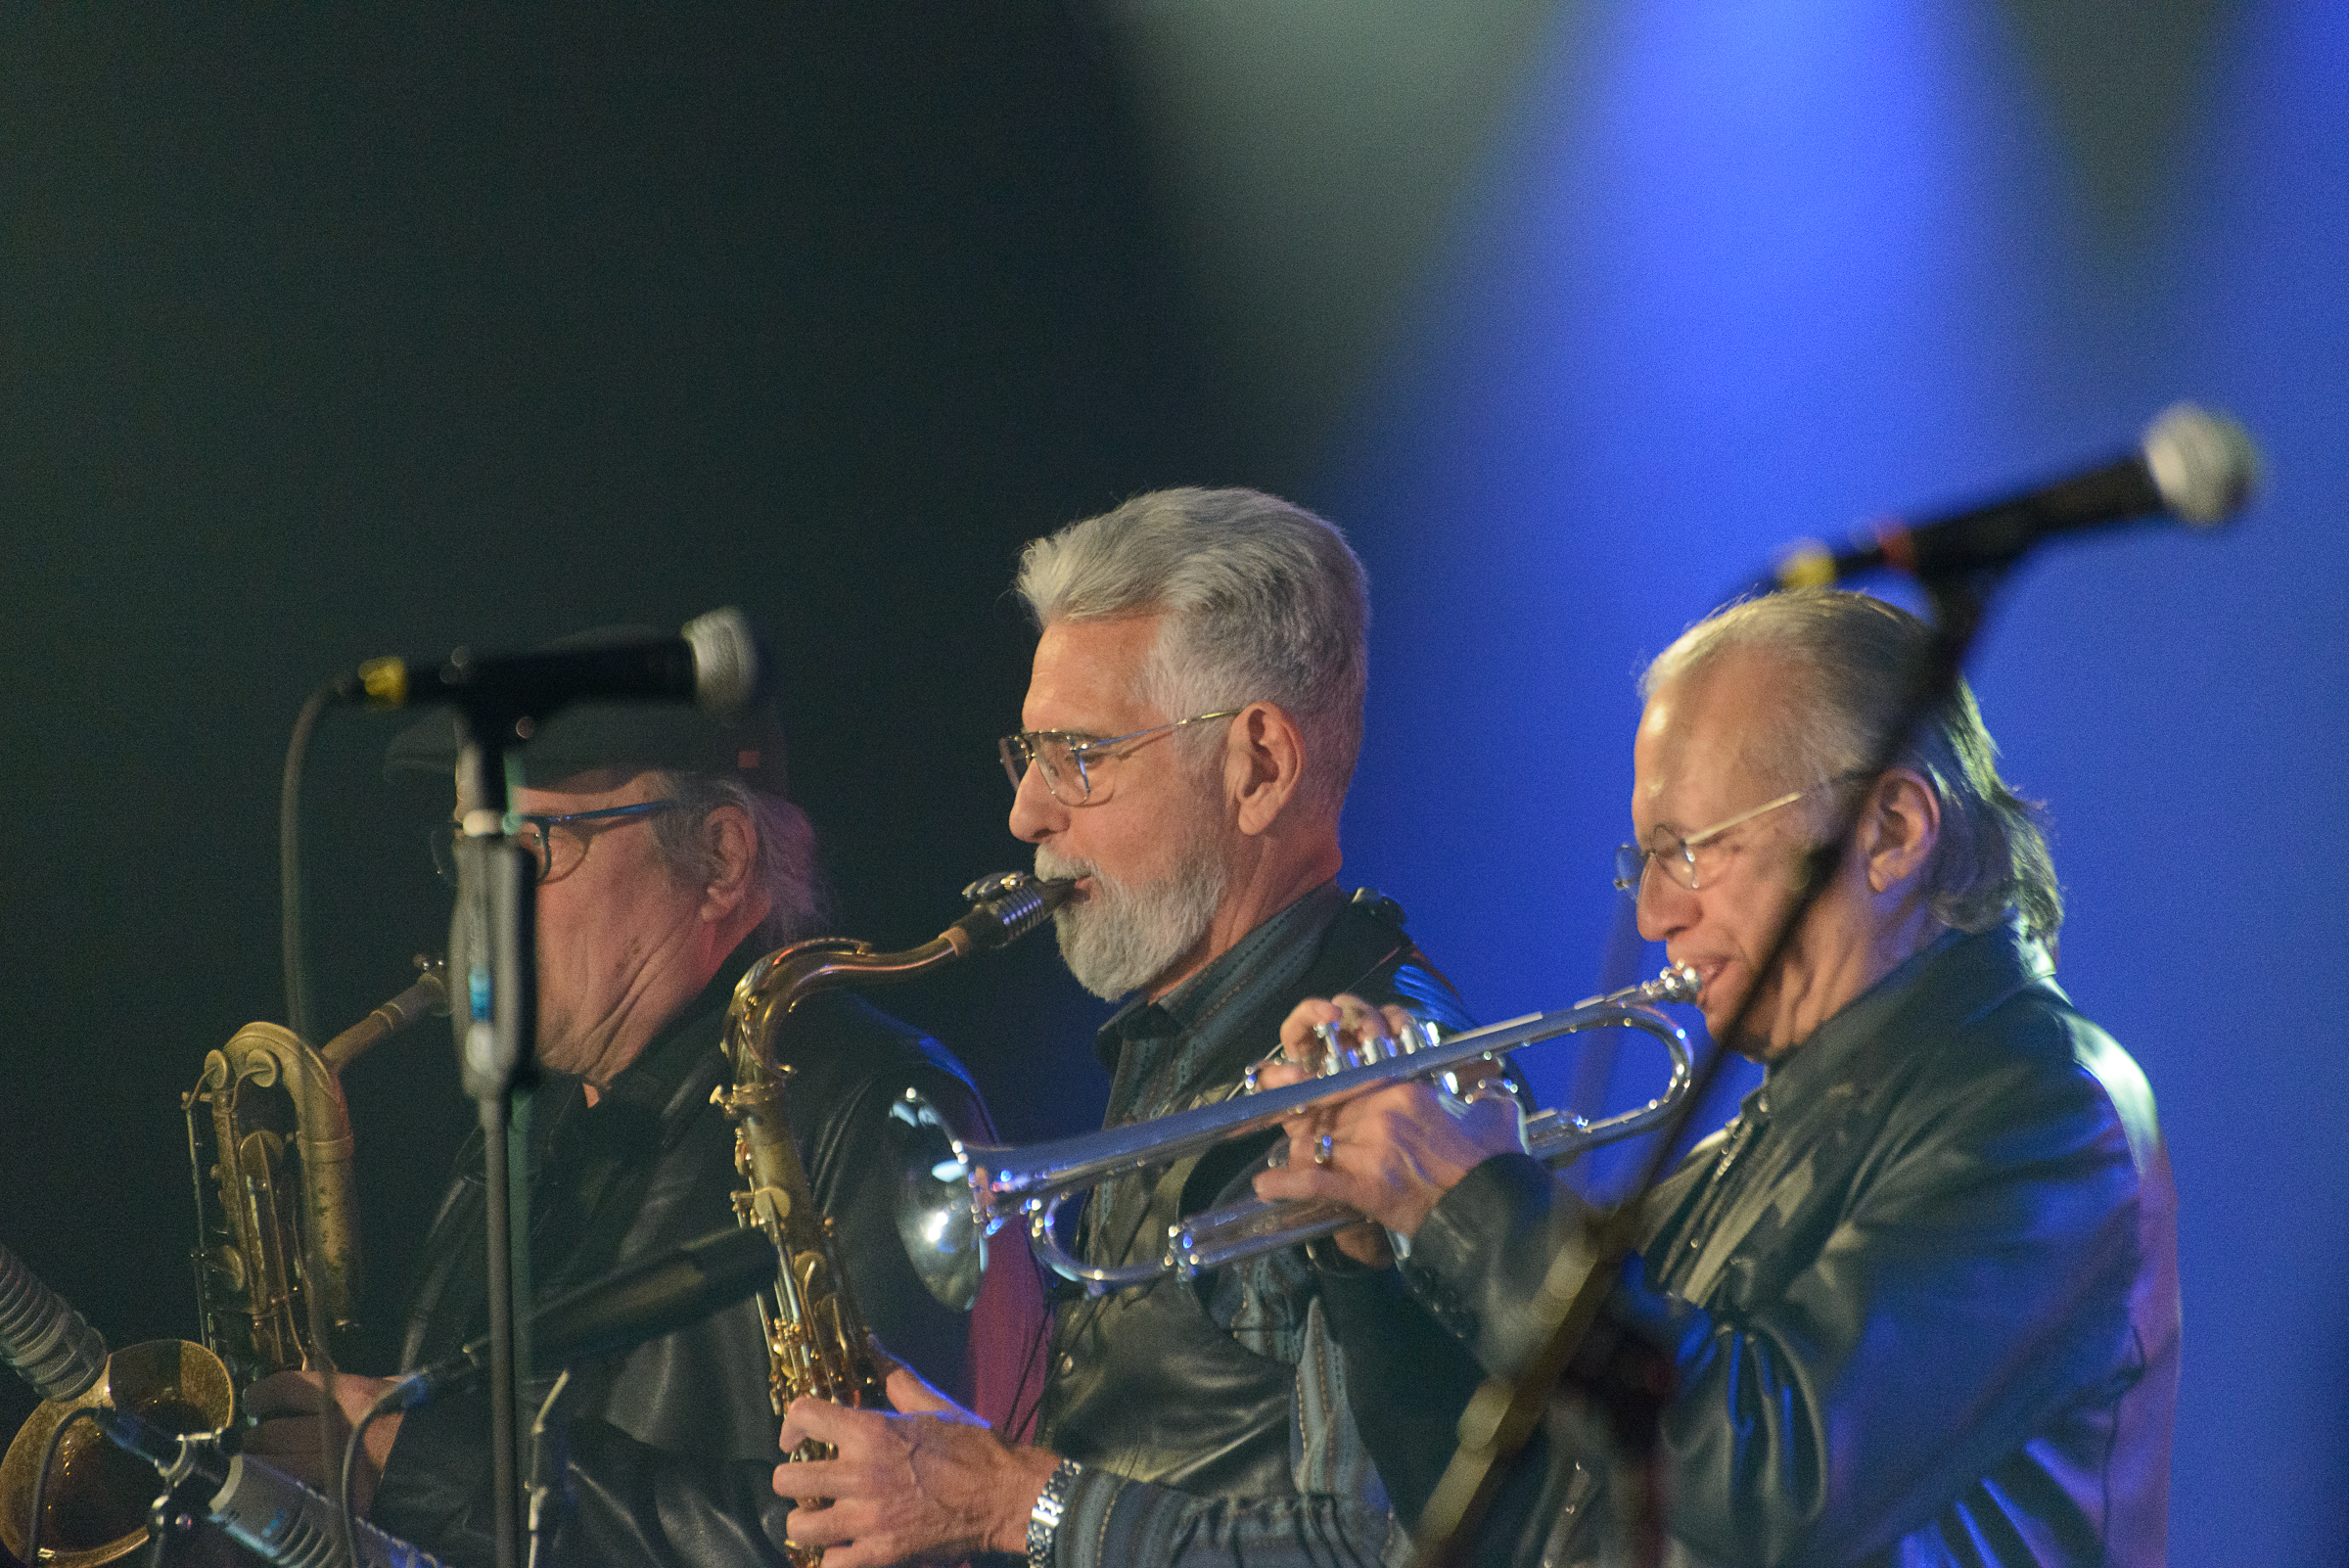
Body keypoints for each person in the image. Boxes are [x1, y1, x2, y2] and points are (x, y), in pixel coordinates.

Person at [1254, 588, 2181, 1568]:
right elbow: (1533, 1529)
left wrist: (1472, 1199)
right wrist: (1376, 1255)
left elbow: (1777, 1480)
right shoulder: (1740, 1147)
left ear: (1893, 829)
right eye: (1644, 861)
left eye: (1688, 851)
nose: (1654, 915)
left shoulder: (2047, 1109)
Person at [769, 487, 1497, 1568]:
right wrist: (967, 1483)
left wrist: (1013, 1503)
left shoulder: (1391, 1085)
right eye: (1028, 755)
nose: (1027, 816)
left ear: (1258, 765)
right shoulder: (1179, 1032)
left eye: (1082, 756)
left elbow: (1382, 1549)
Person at [240, 635, 1044, 1568]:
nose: (478, 907)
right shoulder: (522, 1137)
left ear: (719, 857)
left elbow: (887, 1531)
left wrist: (420, 1466)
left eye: (530, 848)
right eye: (466, 853)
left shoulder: (878, 1109)